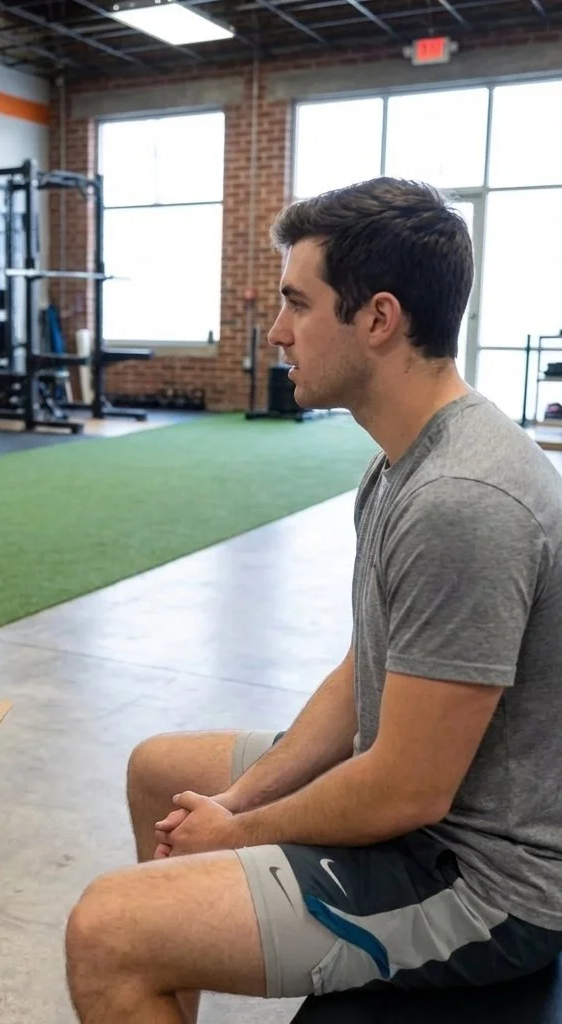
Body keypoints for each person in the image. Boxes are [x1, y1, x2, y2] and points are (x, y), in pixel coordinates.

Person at [64, 177, 562, 1023]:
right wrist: (232, 801)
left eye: (298, 303)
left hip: (486, 880)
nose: (277, 331)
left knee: (107, 931)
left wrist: (240, 831)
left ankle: (153, 952)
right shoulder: (400, 461)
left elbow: (406, 793)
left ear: (377, 319)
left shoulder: (463, 497)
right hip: (431, 803)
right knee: (162, 770)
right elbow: (362, 668)